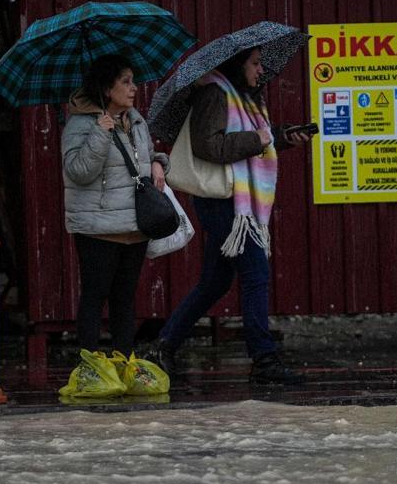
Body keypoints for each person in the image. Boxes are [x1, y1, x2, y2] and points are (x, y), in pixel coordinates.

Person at [149, 46, 313, 386]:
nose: (260, 69)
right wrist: (260, 138)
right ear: (237, 65)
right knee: (255, 273)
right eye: (254, 63)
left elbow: (254, 144)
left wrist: (282, 137)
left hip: (233, 200)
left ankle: (164, 346)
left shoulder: (244, 98)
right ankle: (264, 359)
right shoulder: (215, 93)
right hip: (223, 201)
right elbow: (210, 146)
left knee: (215, 282)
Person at [61, 53, 169, 358]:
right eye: (126, 82)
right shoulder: (80, 125)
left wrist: (159, 164)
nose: (134, 88)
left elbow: (146, 156)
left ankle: (124, 361)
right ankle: (90, 363)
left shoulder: (136, 120)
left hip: (134, 226)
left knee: (125, 299)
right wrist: (100, 132)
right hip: (98, 228)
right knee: (95, 297)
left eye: (133, 81)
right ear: (108, 89)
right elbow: (79, 171)